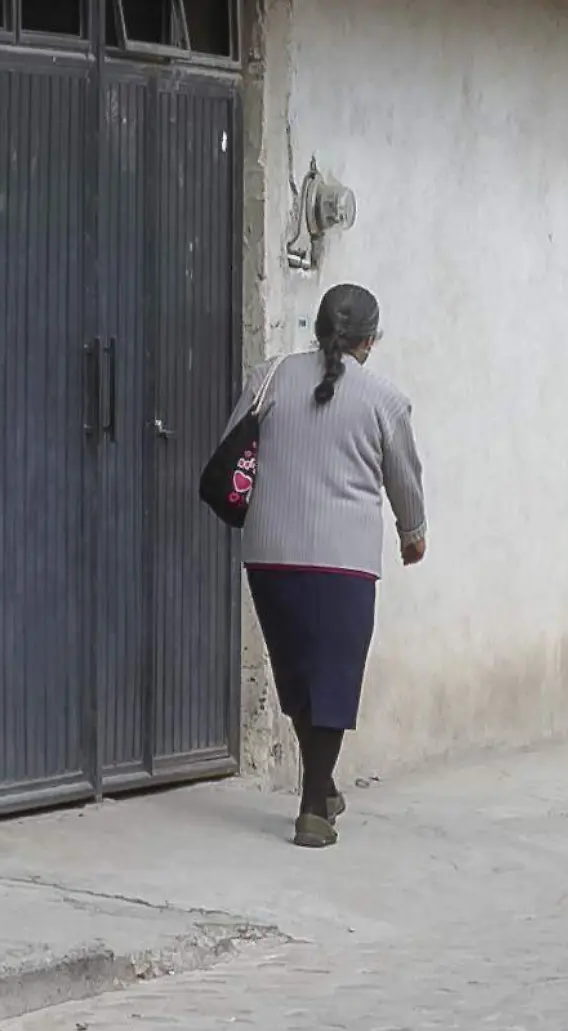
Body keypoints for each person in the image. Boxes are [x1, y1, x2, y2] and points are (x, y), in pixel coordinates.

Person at [226, 283, 426, 848]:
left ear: (316, 330)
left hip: (269, 554)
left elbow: (232, 448)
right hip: (344, 562)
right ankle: (314, 805)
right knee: (334, 679)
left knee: (296, 673)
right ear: (369, 341)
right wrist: (413, 534)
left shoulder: (267, 379)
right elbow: (404, 478)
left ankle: (323, 783)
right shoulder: (385, 400)